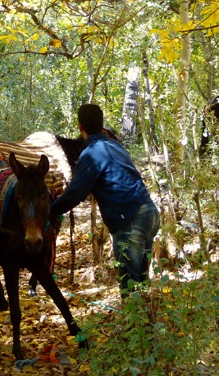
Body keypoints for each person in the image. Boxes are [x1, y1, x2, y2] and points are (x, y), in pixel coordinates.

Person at [50, 104, 160, 296]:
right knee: (141, 281)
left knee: (131, 286)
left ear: (80, 127)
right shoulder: (114, 145)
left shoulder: (91, 153)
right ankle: (147, 322)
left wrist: (50, 210)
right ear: (101, 126)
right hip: (150, 214)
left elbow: (75, 194)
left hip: (130, 221)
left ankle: (135, 325)